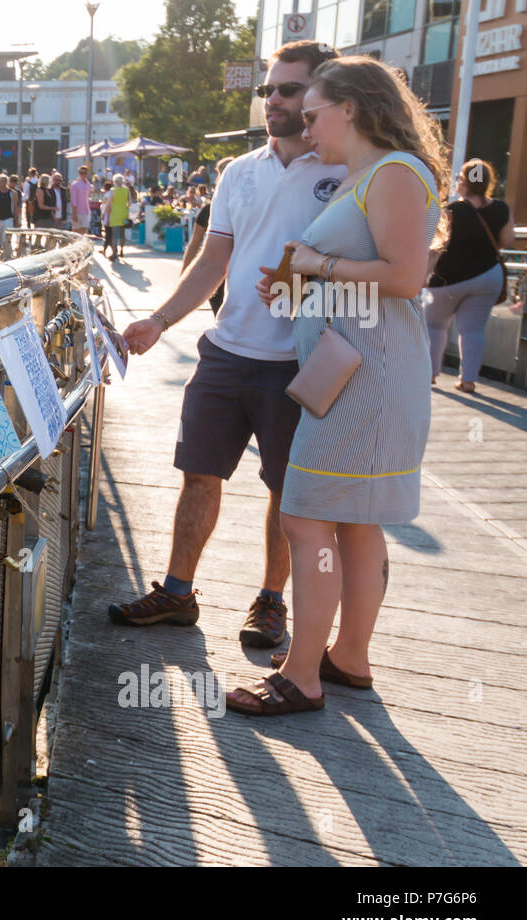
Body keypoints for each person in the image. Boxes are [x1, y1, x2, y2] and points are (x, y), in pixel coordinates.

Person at [229, 55, 449, 716]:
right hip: (355, 374)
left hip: (365, 382)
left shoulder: (394, 174)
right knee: (354, 523)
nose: (305, 123)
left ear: (350, 108)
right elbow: (357, 274)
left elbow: (405, 276)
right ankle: (348, 658)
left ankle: (301, 675)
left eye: (314, 112)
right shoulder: (366, 177)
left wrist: (318, 263)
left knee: (304, 516)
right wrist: (296, 282)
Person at [109, 40, 345, 651]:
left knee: (286, 491)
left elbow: (371, 266)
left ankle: (271, 602)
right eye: (267, 88)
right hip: (226, 351)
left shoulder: (347, 172)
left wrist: (307, 280)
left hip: (299, 361)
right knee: (198, 474)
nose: (272, 100)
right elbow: (214, 258)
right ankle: (177, 592)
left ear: (322, 94)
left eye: (287, 89)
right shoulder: (237, 172)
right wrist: (159, 321)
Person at [424, 158, 515, 393]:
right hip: (486, 277)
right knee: (473, 329)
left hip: (447, 281)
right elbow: (506, 241)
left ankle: (431, 375)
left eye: (459, 178)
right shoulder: (501, 209)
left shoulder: (452, 210)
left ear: (464, 182)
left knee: (435, 326)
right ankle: (468, 380)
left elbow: (435, 246)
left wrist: (423, 274)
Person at [180, 155, 234, 316]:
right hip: (241, 277)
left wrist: (184, 277)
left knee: (221, 320)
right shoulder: (251, 209)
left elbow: (194, 245)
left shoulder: (209, 210)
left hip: (216, 276)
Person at [101, 173, 133, 260]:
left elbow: (108, 203)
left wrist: (103, 213)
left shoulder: (113, 190)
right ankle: (122, 250)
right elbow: (129, 203)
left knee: (114, 234)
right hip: (124, 213)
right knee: (122, 233)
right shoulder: (127, 190)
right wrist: (125, 207)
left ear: (114, 181)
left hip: (114, 213)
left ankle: (114, 252)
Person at [69, 165, 92, 234]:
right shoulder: (75, 185)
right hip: (77, 211)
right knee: (76, 232)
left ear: (87, 173)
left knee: (84, 231)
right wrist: (74, 214)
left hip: (86, 211)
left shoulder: (88, 184)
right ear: (79, 173)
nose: (83, 174)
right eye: (81, 173)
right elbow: (73, 200)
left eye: (85, 172)